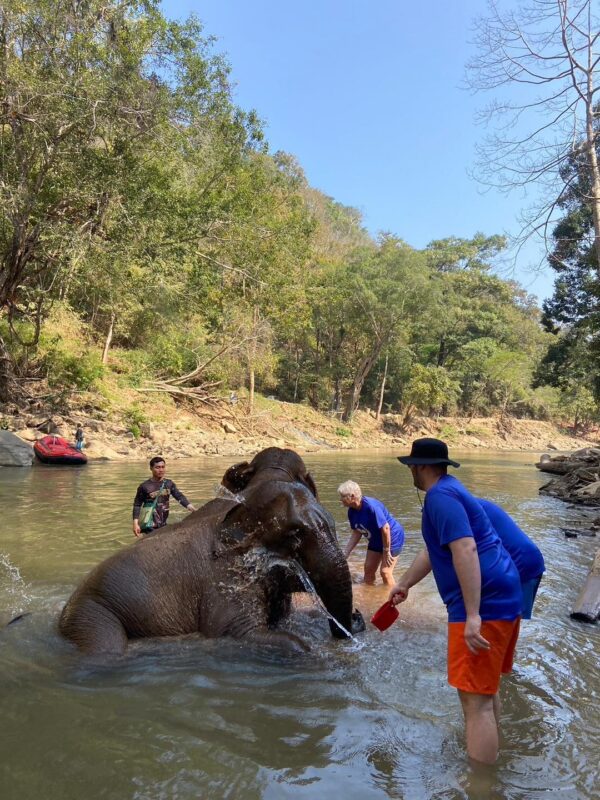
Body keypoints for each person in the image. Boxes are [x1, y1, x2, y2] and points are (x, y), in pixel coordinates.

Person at [390, 438, 522, 765]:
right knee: (486, 694)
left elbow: (465, 549)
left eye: (412, 467)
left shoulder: (439, 498)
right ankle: (493, 756)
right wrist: (405, 583)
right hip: (504, 595)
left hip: (483, 604)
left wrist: (473, 614)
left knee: (475, 703)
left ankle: (481, 784)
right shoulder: (451, 490)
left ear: (419, 466)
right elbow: (436, 550)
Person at [477, 498, 545, 620]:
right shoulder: (474, 504)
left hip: (522, 565)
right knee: (510, 624)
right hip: (530, 560)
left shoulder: (463, 512)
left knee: (506, 623)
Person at [338, 480, 405, 586]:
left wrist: (386, 551)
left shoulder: (371, 507)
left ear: (352, 496)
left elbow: (386, 528)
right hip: (376, 539)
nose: (340, 499)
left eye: (342, 496)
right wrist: (346, 553)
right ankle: (370, 598)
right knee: (368, 570)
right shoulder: (351, 511)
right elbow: (357, 531)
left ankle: (392, 599)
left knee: (385, 572)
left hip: (392, 537)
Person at [132, 456, 197, 537]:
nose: (161, 470)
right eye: (157, 467)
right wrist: (135, 523)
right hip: (150, 525)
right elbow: (137, 505)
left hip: (163, 523)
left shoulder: (168, 483)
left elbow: (179, 496)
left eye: (163, 467)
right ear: (151, 468)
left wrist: (191, 507)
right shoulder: (144, 486)